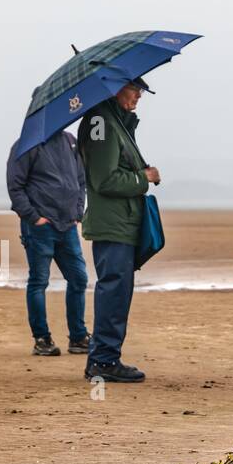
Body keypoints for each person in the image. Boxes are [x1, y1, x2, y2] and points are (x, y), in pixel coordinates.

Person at [76, 77, 160, 383]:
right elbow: (104, 180)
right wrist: (144, 177)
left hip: (121, 223)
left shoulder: (116, 122)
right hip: (112, 224)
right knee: (114, 291)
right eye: (134, 89)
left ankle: (105, 358)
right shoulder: (100, 121)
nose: (139, 95)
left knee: (118, 291)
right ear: (115, 88)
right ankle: (103, 361)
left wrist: (140, 173)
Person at [6, 130, 90, 356]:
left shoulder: (71, 141)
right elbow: (15, 186)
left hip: (68, 225)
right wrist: (34, 217)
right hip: (40, 227)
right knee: (39, 281)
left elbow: (81, 180)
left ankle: (78, 337)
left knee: (79, 278)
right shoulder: (26, 145)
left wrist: (77, 213)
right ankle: (42, 339)